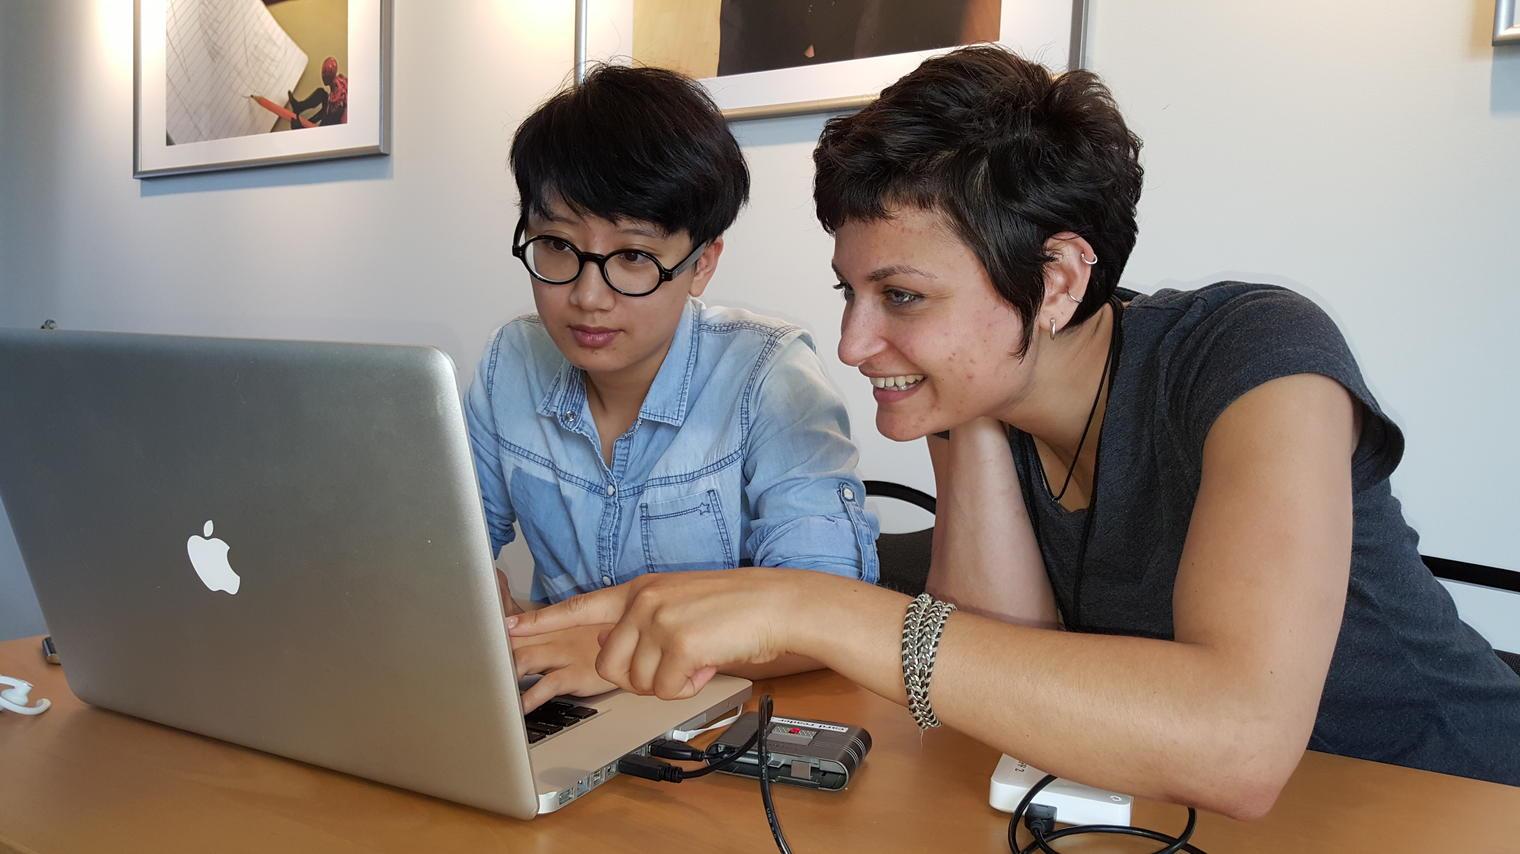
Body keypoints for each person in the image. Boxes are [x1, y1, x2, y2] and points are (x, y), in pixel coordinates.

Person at [509, 46, 1520, 815]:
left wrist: (809, 607)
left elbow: (1239, 738)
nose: (856, 341)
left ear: (1058, 281)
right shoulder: (980, 405)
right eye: (850, 292)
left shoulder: (1255, 352)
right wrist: (964, 412)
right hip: (1189, 815)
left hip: (1443, 800)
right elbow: (999, 678)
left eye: (900, 294)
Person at [468, 65, 879, 712]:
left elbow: (834, 614)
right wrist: (465, 590)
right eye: (554, 245)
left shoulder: (767, 377)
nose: (586, 295)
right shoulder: (511, 363)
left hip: (724, 722)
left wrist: (613, 649)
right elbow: (453, 540)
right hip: (560, 703)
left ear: (702, 264)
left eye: (633, 256)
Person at [287, 56, 347, 128]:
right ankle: (299, 107)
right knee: (321, 93)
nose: (323, 77)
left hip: (335, 121)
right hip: (334, 111)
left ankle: (303, 127)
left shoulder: (338, 104)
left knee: (326, 119)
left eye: (325, 74)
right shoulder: (341, 81)